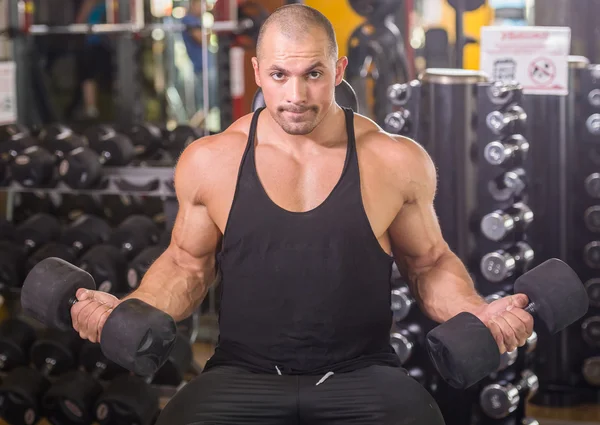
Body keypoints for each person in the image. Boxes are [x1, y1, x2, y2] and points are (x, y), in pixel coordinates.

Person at [70, 4, 534, 424]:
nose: (296, 94)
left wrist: (478, 312)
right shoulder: (211, 159)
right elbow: (186, 266)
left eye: (313, 74)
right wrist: (133, 308)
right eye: (278, 75)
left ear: (338, 70)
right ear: (256, 72)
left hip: (362, 373)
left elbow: (429, 265)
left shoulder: (394, 160)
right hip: (242, 372)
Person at [181, 0, 219, 127]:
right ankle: (190, 130)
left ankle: (194, 131)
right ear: (193, 5)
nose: (203, 8)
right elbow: (204, 40)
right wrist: (212, 28)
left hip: (206, 66)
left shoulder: (196, 21)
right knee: (207, 106)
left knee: (209, 107)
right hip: (203, 67)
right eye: (200, 5)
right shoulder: (189, 20)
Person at [74, 0, 113, 119]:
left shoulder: (90, 2)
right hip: (102, 42)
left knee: (87, 76)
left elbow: (80, 20)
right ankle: (90, 107)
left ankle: (90, 108)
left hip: (91, 41)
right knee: (92, 76)